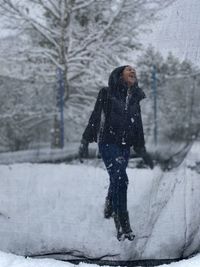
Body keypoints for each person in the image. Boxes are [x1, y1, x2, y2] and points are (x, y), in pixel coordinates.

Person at [79, 65, 154, 241]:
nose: (133, 71)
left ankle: (110, 203)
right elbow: (96, 116)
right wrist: (85, 141)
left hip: (125, 146)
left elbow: (138, 124)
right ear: (119, 75)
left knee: (117, 177)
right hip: (108, 143)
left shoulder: (135, 97)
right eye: (129, 69)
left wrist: (141, 149)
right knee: (121, 178)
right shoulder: (107, 93)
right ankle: (122, 223)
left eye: (134, 70)